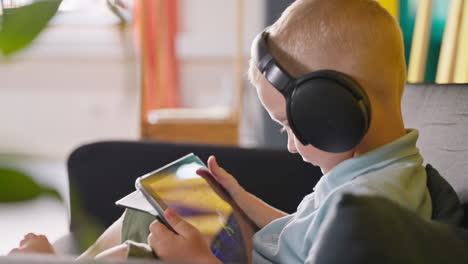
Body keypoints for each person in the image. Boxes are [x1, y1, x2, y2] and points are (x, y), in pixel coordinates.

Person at [8, 0, 432, 263]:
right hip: (256, 252)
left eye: (290, 125)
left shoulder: (374, 209)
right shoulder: (376, 172)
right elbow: (304, 232)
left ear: (332, 114)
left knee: (136, 254)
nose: (288, 143)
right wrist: (241, 200)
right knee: (149, 212)